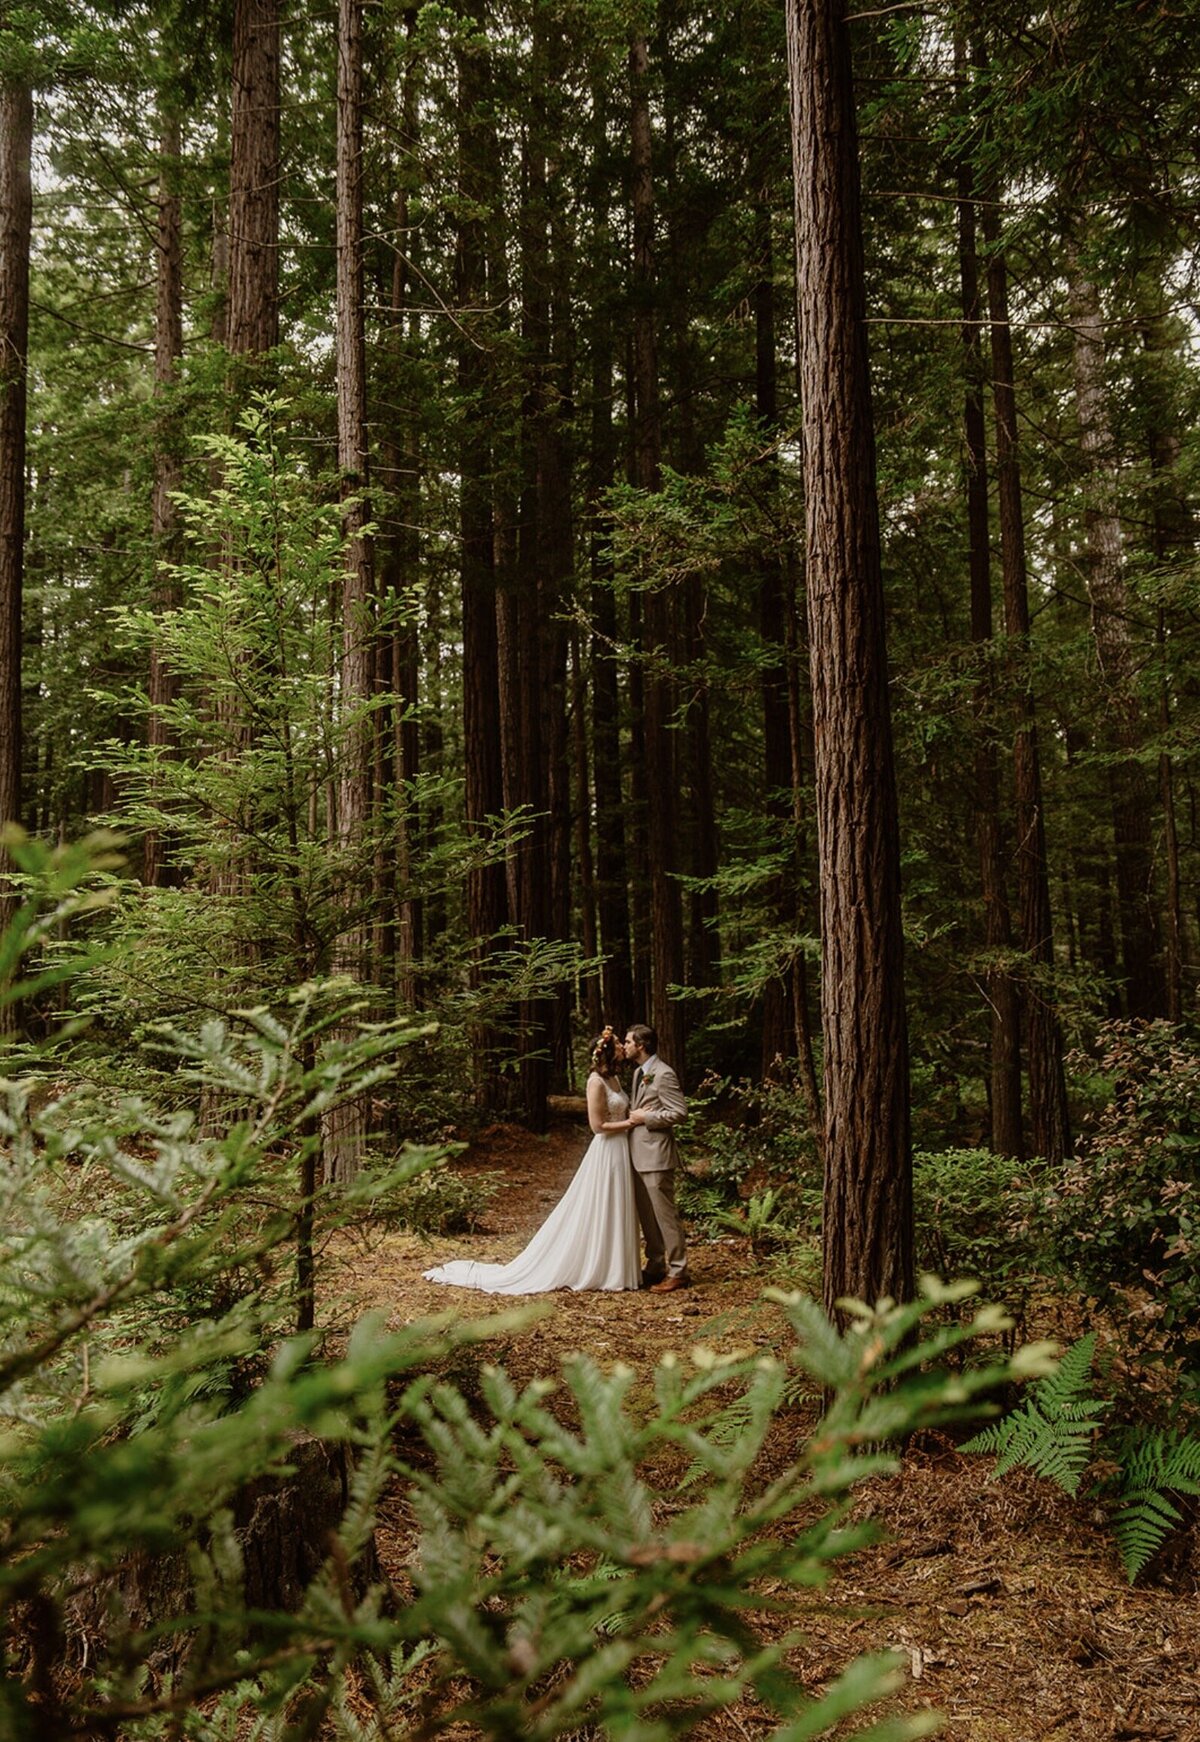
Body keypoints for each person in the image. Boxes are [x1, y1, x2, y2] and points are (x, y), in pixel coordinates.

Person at [422, 1027, 639, 1294]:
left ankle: (617, 1266)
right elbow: (597, 1125)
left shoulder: (615, 1079)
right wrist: (631, 1122)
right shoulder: (596, 1081)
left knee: (617, 1204)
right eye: (618, 1043)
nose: (621, 1047)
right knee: (602, 1204)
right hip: (606, 1150)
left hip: (621, 1148)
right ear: (606, 1050)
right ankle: (601, 1269)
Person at [603, 1023, 689, 1292]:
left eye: (628, 1042)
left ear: (641, 1045)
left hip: (657, 1155)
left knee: (665, 1215)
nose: (624, 1046)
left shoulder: (663, 1074)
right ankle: (655, 1264)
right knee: (647, 1215)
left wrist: (646, 1117)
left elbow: (679, 1112)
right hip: (637, 1154)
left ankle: (679, 1271)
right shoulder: (640, 1072)